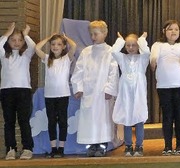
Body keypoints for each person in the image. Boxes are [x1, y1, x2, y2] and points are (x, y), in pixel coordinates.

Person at [70, 20, 119, 157]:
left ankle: (102, 145)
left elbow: (113, 72)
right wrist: (78, 87)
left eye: (96, 34)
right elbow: (78, 70)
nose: (93, 37)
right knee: (89, 119)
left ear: (104, 33)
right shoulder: (86, 52)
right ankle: (91, 145)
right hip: (88, 92)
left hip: (103, 92)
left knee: (103, 119)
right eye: (91, 34)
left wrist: (110, 89)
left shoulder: (110, 51)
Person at [150, 19, 180, 155]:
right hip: (163, 86)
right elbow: (153, 57)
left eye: (176, 29)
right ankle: (167, 146)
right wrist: (153, 60)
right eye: (170, 29)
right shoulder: (158, 44)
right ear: (164, 31)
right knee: (167, 116)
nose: (173, 32)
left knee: (179, 115)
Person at [35, 33, 77, 158]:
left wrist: (65, 37)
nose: (55, 46)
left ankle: (61, 148)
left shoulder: (66, 59)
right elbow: (37, 48)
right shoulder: (47, 58)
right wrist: (48, 38)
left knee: (62, 121)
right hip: (49, 96)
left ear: (64, 46)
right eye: (53, 44)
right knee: (52, 121)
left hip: (63, 95)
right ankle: (54, 147)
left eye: (59, 44)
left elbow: (74, 46)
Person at [111, 32, 150, 157]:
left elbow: (147, 52)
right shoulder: (122, 58)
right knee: (126, 119)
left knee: (139, 119)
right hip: (126, 94)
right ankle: (128, 145)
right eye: (128, 45)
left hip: (138, 93)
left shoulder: (142, 59)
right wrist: (120, 41)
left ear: (138, 46)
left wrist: (142, 39)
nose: (131, 48)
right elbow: (113, 52)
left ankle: (139, 145)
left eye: (134, 45)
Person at [0, 22, 35, 160]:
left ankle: (27, 148)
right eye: (13, 40)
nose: (16, 42)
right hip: (6, 91)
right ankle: (10, 148)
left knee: (23, 121)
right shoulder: (4, 55)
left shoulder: (26, 55)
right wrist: (7, 33)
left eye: (20, 40)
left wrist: (26, 34)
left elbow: (32, 46)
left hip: (23, 91)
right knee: (9, 121)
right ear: (8, 42)